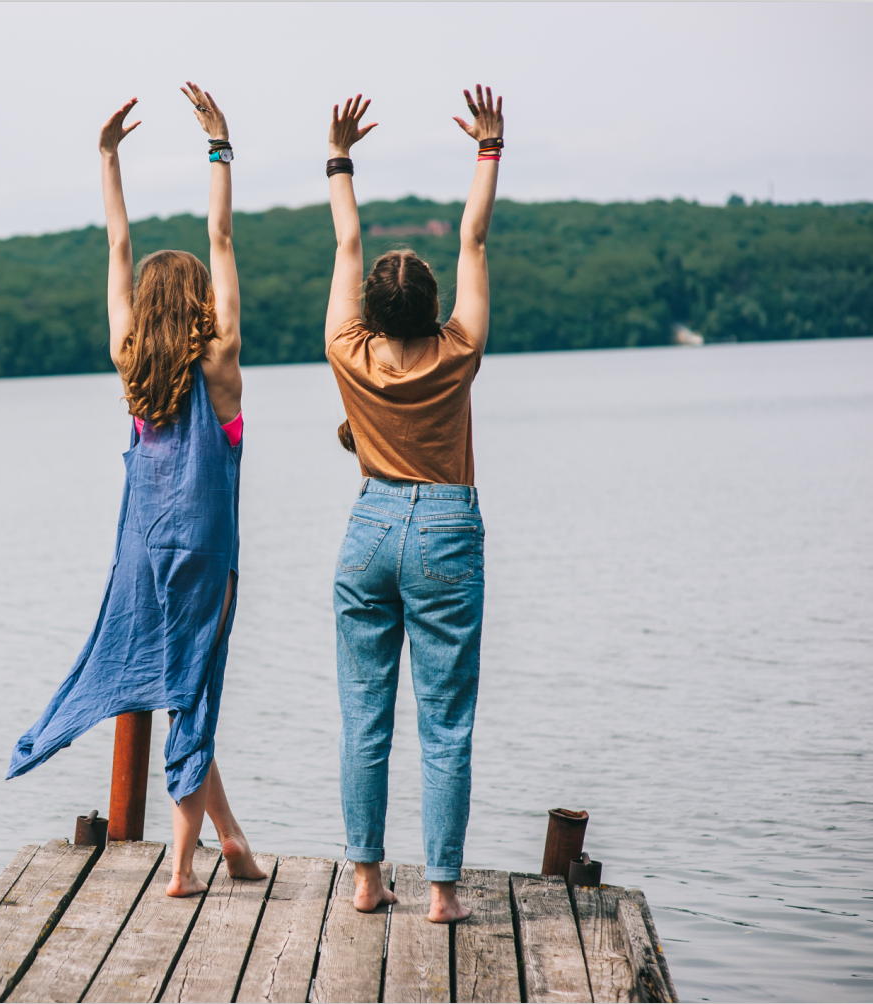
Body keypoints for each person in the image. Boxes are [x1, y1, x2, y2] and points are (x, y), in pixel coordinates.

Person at [7, 83, 266, 897]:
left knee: (179, 689)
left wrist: (108, 159)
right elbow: (220, 238)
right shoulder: (218, 366)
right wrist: (219, 148)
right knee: (194, 692)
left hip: (138, 551)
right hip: (204, 552)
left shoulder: (129, 360)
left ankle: (231, 841)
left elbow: (118, 251)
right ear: (197, 308)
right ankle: (183, 869)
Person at [322, 85, 503, 922]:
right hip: (442, 528)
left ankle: (364, 881)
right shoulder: (458, 353)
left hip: (367, 528)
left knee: (364, 715)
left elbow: (346, 239)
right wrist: (487, 149)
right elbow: (472, 237)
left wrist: (340, 158)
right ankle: (440, 892)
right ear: (432, 309)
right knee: (444, 721)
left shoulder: (345, 352)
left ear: (371, 310)